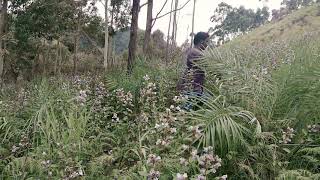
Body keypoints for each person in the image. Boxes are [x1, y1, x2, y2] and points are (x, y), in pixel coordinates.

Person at [177, 32, 210, 110]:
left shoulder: (191, 51)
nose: (207, 44)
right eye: (207, 41)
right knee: (185, 112)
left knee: (187, 111)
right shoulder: (196, 53)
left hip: (191, 87)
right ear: (202, 42)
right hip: (192, 89)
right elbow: (210, 67)